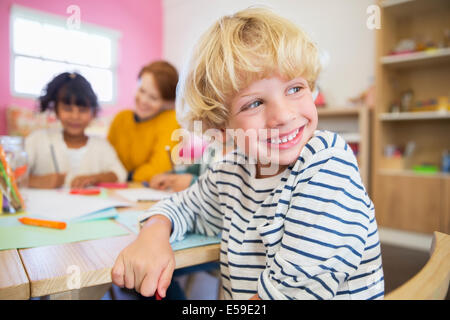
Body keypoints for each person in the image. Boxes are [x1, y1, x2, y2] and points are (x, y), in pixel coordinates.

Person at [111, 8, 384, 300]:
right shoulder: (229, 172)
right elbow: (183, 206)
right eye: (254, 103)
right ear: (222, 127)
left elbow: (291, 294)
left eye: (295, 88)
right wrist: (153, 232)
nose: (283, 115)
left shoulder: (327, 165)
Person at [26, 72, 127, 189]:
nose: (75, 116)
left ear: (93, 113)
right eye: (68, 109)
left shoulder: (101, 145)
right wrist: (36, 180)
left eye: (83, 110)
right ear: (57, 111)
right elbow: (10, 175)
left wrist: (95, 178)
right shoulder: (37, 140)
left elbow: (120, 174)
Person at [107, 61, 180, 183]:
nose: (143, 100)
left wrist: (123, 176)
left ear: (168, 103)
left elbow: (160, 167)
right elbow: (107, 159)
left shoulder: (170, 119)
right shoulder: (121, 118)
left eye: (153, 98)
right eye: (141, 90)